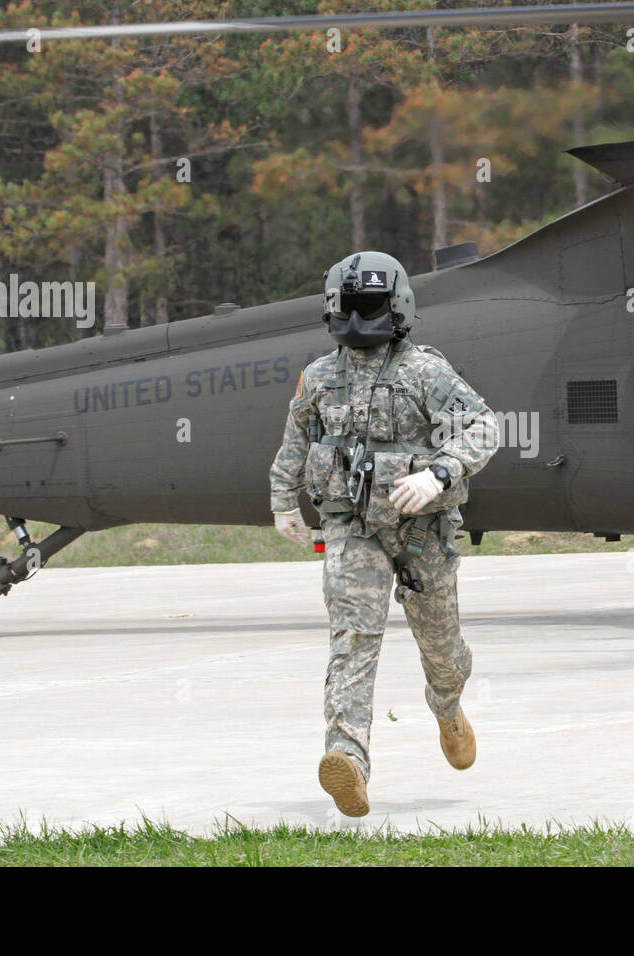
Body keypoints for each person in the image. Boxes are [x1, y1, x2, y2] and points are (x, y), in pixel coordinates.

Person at [269, 251, 499, 817]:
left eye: (368, 305)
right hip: (354, 530)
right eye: (349, 306)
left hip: (423, 532)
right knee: (353, 635)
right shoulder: (320, 377)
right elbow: (295, 441)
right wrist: (282, 502)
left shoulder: (425, 371)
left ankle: (447, 709)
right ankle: (347, 758)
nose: (357, 318)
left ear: (395, 306)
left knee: (441, 650)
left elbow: (484, 425)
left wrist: (440, 472)